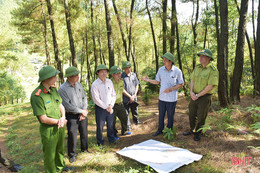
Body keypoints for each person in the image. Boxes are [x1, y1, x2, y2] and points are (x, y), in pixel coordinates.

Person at [30, 66, 68, 173]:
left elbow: (60, 104)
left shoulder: (53, 89)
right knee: (50, 154)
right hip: (49, 130)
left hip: (60, 126)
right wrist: (59, 121)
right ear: (46, 78)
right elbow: (43, 119)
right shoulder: (37, 96)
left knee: (60, 150)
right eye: (54, 76)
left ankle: (60, 168)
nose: (56, 77)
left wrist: (63, 117)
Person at [142, 52, 184, 136]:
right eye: (163, 60)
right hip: (162, 98)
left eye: (165, 60)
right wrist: (148, 80)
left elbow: (181, 83)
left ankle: (169, 132)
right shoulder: (161, 69)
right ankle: (160, 130)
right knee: (161, 115)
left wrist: (171, 88)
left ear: (171, 61)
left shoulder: (177, 71)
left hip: (172, 99)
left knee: (170, 116)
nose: (164, 61)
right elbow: (157, 81)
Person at [183, 49, 219, 141]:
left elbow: (210, 86)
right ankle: (192, 130)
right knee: (191, 114)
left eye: (203, 56)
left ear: (209, 58)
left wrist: (198, 95)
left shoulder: (213, 70)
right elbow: (192, 80)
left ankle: (198, 132)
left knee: (201, 116)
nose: (201, 58)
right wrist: (191, 92)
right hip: (194, 95)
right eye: (200, 56)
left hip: (204, 97)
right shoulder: (197, 67)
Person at [58, 66, 89, 163]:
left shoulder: (78, 85)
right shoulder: (62, 89)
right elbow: (67, 105)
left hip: (82, 113)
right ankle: (72, 154)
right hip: (71, 115)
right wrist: (81, 111)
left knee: (84, 132)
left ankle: (84, 149)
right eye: (76, 75)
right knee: (72, 134)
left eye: (78, 75)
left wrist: (84, 110)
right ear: (69, 77)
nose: (78, 77)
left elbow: (84, 97)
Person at [91, 64, 117, 146]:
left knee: (110, 125)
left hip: (110, 107)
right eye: (102, 72)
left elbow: (113, 95)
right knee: (100, 126)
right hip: (100, 109)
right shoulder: (95, 84)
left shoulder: (109, 82)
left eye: (105, 72)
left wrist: (111, 106)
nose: (104, 73)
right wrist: (106, 107)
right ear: (97, 73)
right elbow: (96, 99)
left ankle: (111, 140)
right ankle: (100, 142)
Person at [109, 66, 130, 139]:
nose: (119, 74)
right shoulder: (109, 82)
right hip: (112, 105)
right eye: (117, 73)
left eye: (119, 73)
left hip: (120, 103)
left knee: (124, 117)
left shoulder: (121, 81)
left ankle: (124, 131)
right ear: (112, 74)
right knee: (112, 121)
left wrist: (130, 96)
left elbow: (123, 90)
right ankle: (114, 134)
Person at [121, 61, 141, 132]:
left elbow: (137, 85)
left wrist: (134, 95)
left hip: (134, 97)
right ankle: (128, 126)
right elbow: (122, 89)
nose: (128, 69)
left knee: (135, 110)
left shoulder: (134, 75)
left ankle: (136, 121)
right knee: (126, 113)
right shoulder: (121, 76)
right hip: (126, 98)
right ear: (123, 69)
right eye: (126, 68)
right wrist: (130, 96)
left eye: (129, 67)